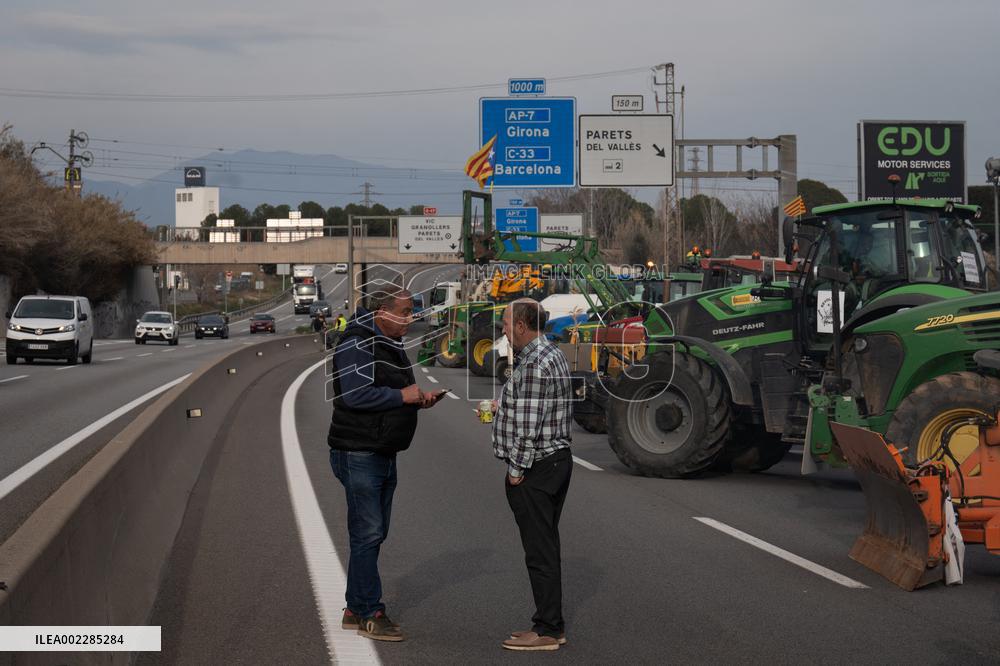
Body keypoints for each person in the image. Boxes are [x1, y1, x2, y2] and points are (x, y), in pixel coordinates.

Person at [327, 284, 446, 642]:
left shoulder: (387, 343)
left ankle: (354, 609)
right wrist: (401, 395)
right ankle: (369, 612)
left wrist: (417, 400)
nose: (412, 318)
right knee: (368, 533)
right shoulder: (358, 343)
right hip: (359, 450)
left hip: (380, 448)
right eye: (405, 312)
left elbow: (387, 390)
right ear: (382, 312)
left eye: (413, 312)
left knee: (372, 534)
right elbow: (354, 393)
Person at [493, 299, 574, 652]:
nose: (504, 330)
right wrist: (504, 407)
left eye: (507, 324)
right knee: (545, 546)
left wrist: (515, 471)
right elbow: (537, 407)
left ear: (523, 325)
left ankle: (548, 630)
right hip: (556, 461)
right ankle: (546, 624)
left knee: (539, 551)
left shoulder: (532, 365)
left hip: (538, 466)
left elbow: (528, 430)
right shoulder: (550, 354)